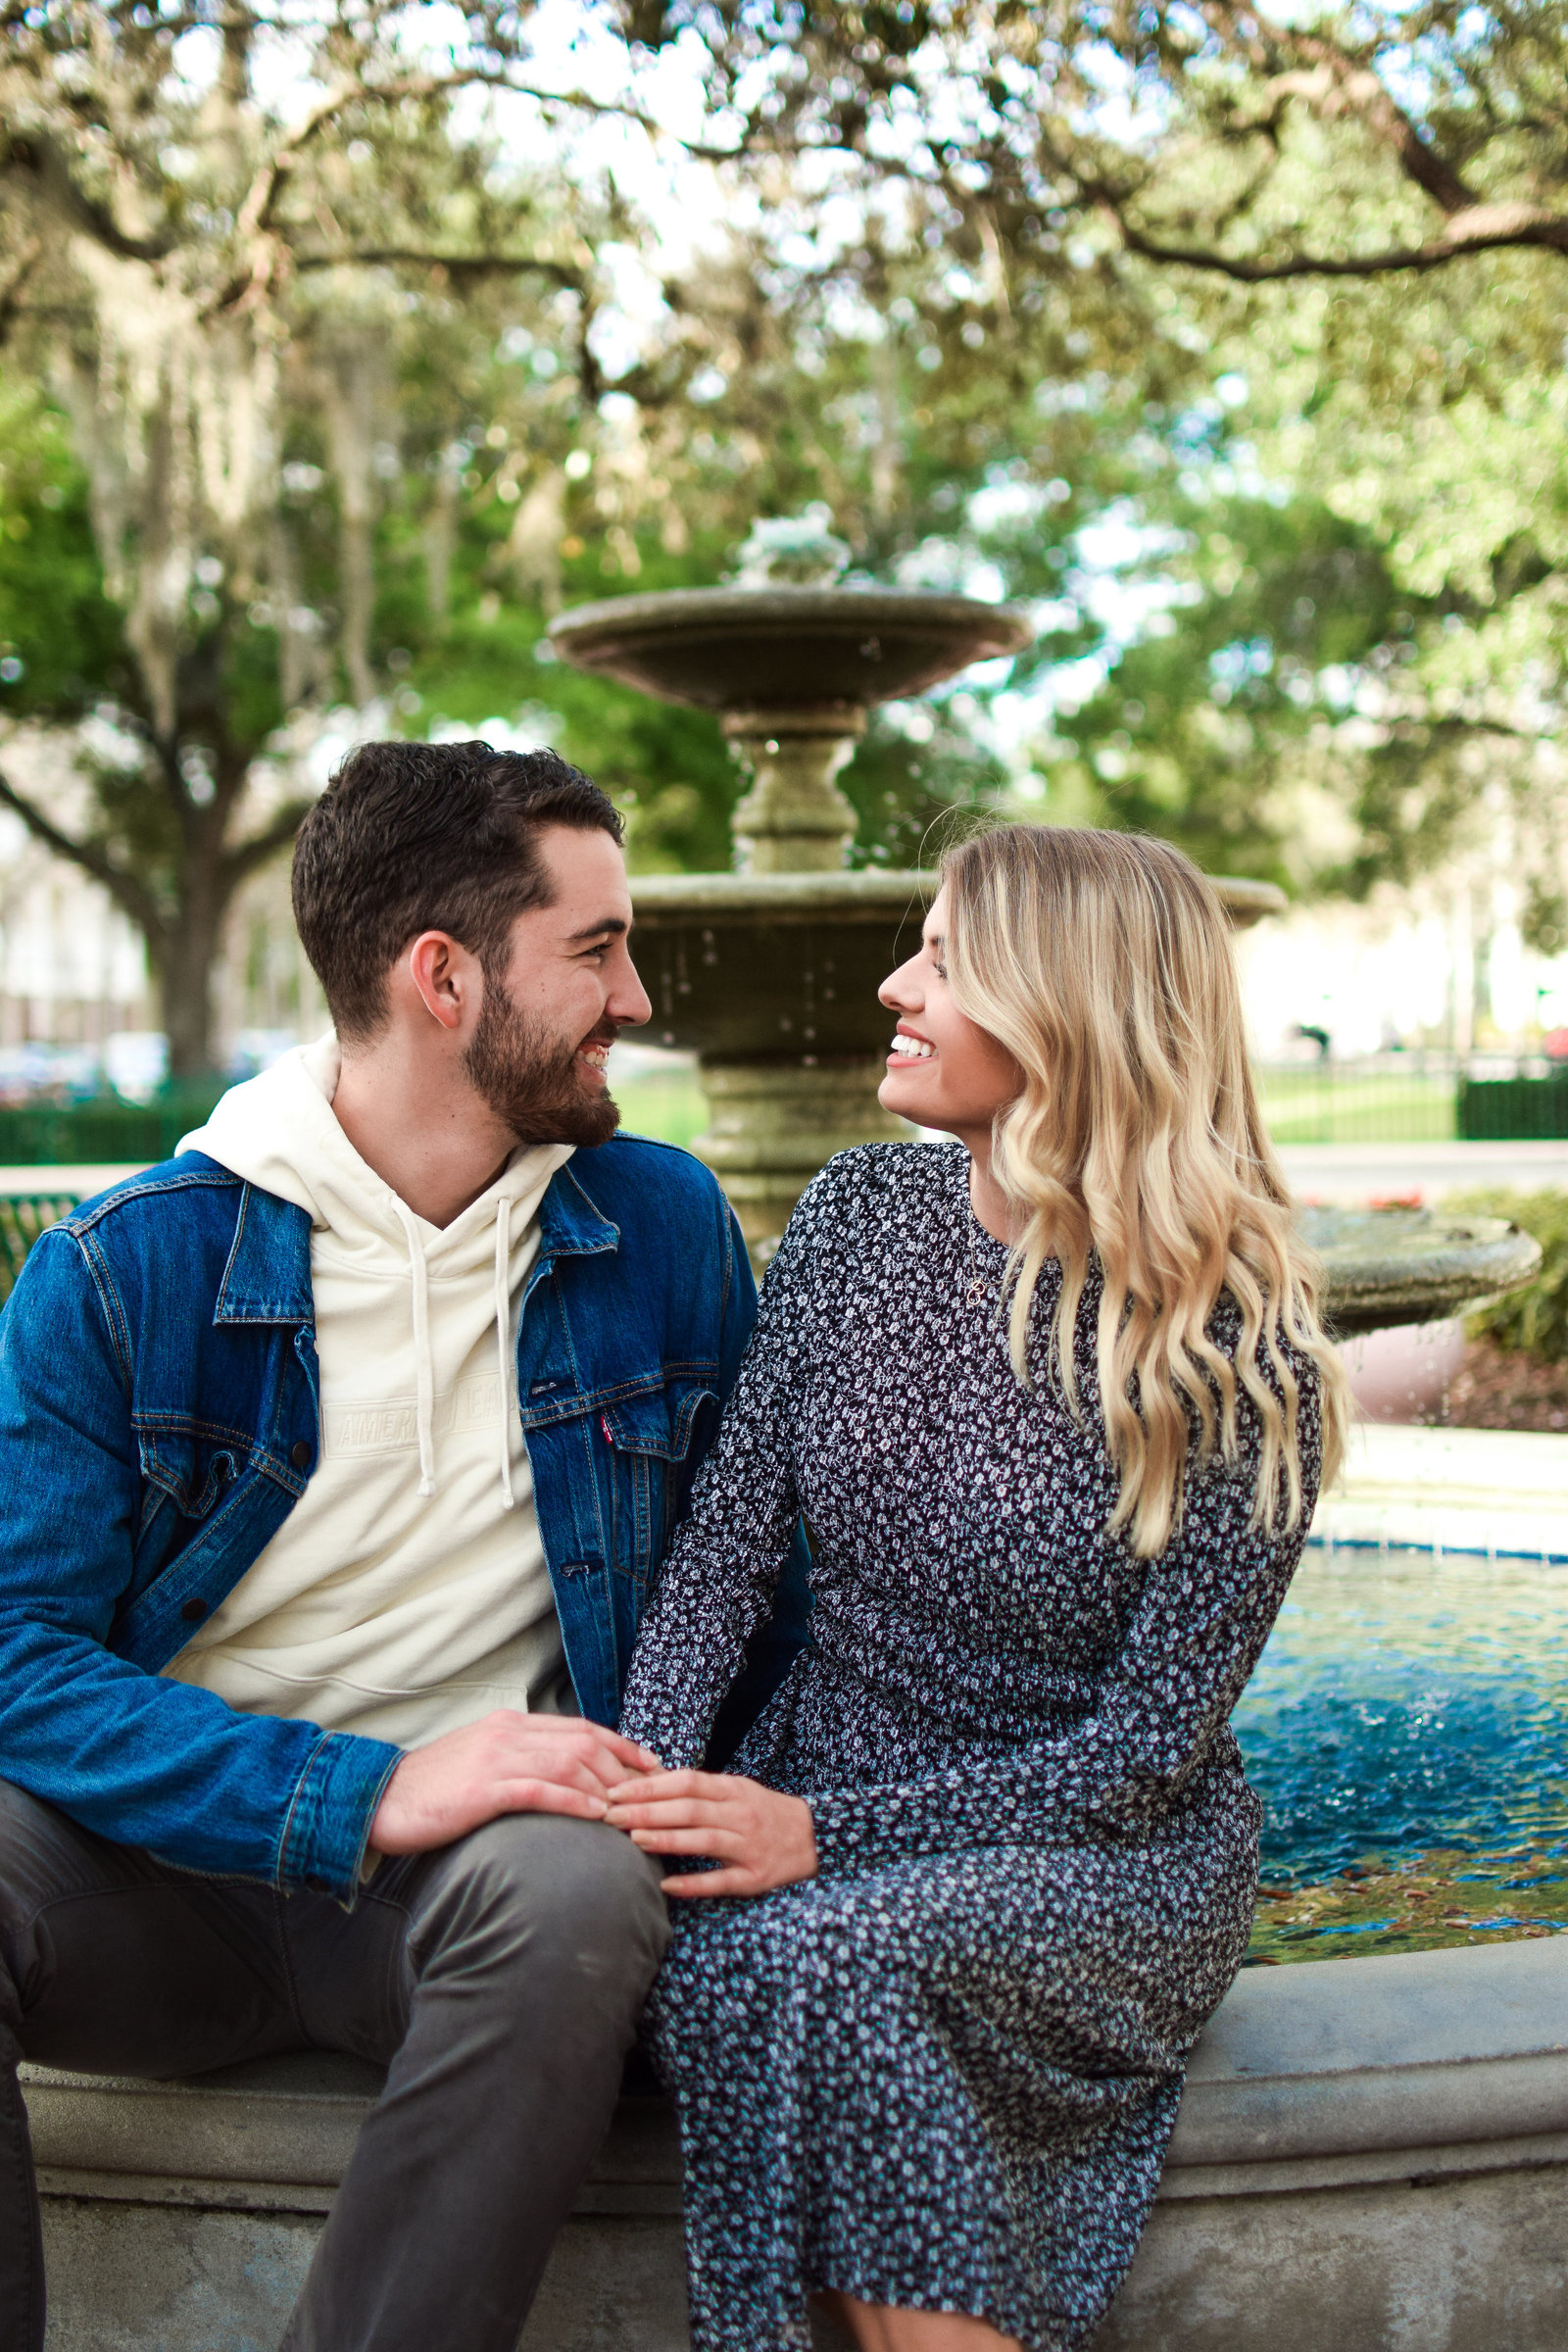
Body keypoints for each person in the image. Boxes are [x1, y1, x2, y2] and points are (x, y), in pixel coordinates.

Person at [0, 739, 807, 2352]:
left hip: (469, 1897)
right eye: (596, 951)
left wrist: (813, 1804)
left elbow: (766, 1603)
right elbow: (17, 1659)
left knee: (580, 1890)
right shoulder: (124, 1268)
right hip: (161, 1877)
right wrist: (359, 1792)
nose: (636, 999)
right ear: (443, 978)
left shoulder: (657, 1232)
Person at [606, 824, 1352, 2352]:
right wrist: (642, 1784)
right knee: (734, 1959)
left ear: (1067, 1007)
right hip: (831, 1779)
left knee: (813, 1954)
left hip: (1099, 1857)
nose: (896, 985)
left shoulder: (1244, 1362)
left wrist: (821, 1838)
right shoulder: (857, 1217)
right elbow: (726, 1556)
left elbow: (1142, 1762)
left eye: (944, 959)